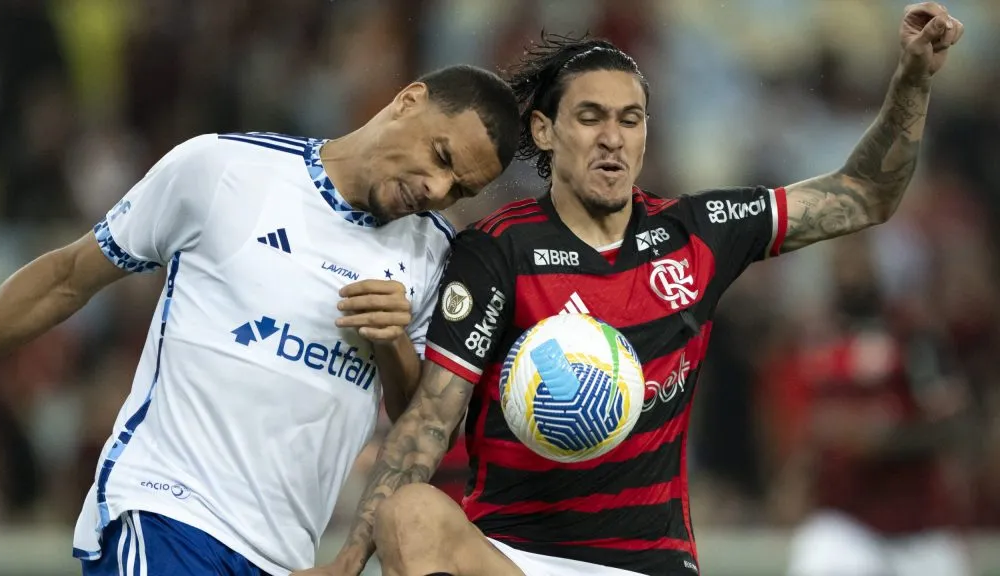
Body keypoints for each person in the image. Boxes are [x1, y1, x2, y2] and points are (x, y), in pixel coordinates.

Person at [314, 3, 965, 576]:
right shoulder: (497, 253)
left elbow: (863, 195)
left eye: (631, 119)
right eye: (590, 116)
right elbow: (429, 421)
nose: (612, 138)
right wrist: (347, 564)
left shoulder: (699, 232)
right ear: (544, 130)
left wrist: (911, 80)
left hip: (647, 563)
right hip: (513, 556)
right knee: (410, 513)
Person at [0, 64, 520, 576]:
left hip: (287, 556)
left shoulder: (436, 255)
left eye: (461, 189)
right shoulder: (223, 170)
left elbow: (416, 423)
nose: (437, 190)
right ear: (409, 101)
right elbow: (68, 276)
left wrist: (391, 342)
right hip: (167, 513)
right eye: (442, 157)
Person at [781, 234, 972, 576]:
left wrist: (889, 438)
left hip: (916, 525)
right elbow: (808, 428)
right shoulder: (816, 335)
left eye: (859, 254)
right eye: (841, 257)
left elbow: (956, 424)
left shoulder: (911, 332)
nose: (850, 268)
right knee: (817, 557)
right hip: (845, 524)